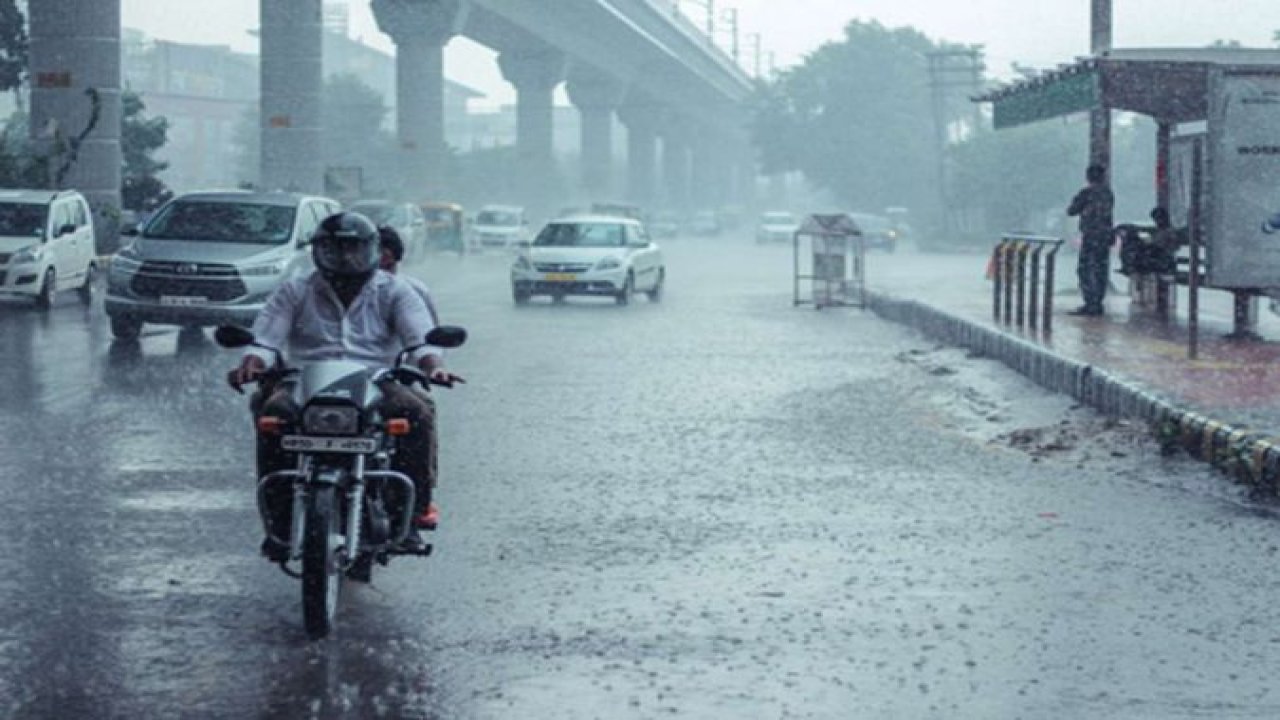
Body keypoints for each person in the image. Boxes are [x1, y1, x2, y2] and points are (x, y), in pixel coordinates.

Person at [227, 212, 463, 561]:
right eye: (334, 250)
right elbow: (266, 339)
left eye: (353, 249)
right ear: (318, 252)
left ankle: (411, 515)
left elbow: (420, 341)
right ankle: (278, 521)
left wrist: (435, 367)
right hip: (304, 381)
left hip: (376, 381)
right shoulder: (295, 290)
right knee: (270, 411)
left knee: (418, 411)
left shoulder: (396, 290)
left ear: (372, 251)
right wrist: (252, 363)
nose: (344, 258)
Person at [1066, 164, 1115, 316]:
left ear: (1088, 177)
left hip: (1091, 236)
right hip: (1105, 236)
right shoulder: (1108, 194)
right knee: (1101, 269)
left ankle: (1090, 302)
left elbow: (1071, 211)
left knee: (1085, 269)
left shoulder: (1086, 193)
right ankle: (1098, 302)